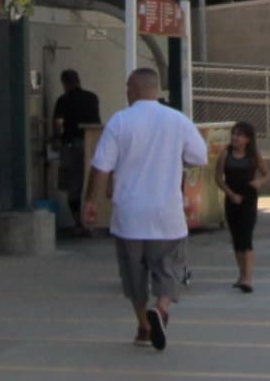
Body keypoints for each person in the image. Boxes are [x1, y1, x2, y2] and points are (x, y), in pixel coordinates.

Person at [84, 68, 207, 352]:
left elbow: (101, 166)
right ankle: (161, 309)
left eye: (128, 88)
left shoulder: (120, 121)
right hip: (167, 213)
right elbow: (198, 156)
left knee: (133, 274)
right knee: (168, 267)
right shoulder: (178, 120)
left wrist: (91, 202)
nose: (126, 93)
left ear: (135, 89)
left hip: (129, 214)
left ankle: (143, 326)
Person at [213, 120, 270, 293]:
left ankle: (248, 278)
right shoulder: (226, 153)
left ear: (248, 139)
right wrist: (230, 194)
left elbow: (268, 174)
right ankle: (241, 274)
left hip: (249, 199)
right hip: (232, 198)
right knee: (237, 239)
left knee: (246, 237)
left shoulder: (253, 156)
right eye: (234, 134)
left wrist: (259, 182)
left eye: (239, 135)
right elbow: (218, 178)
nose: (235, 138)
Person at [51, 69, 102, 235]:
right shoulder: (92, 97)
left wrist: (56, 138)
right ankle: (93, 222)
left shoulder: (63, 100)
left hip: (72, 145)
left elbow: (59, 123)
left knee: (73, 185)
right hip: (91, 144)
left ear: (65, 83)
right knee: (90, 180)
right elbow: (97, 122)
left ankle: (78, 223)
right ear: (78, 80)